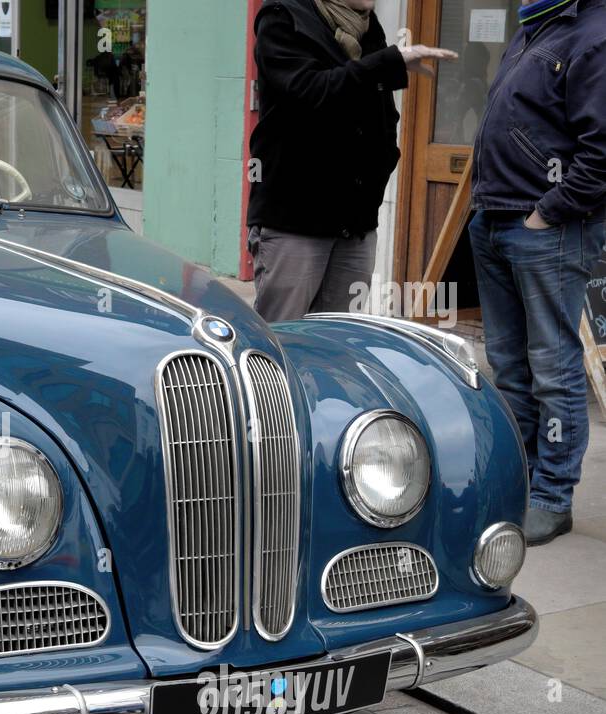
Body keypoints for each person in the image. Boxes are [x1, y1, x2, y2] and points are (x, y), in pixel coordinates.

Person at [469, 0, 606, 545]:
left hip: (544, 226)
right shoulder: (538, 25)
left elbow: (600, 154)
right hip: (497, 217)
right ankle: (519, 481)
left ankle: (553, 494)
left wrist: (548, 211)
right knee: (507, 361)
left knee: (552, 365)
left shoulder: (593, 34)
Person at [247, 0, 455, 324]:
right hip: (295, 219)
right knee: (281, 341)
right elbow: (311, 91)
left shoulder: (369, 28)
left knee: (335, 340)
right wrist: (387, 63)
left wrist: (384, 163)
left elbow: (384, 112)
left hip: (355, 223)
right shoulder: (283, 17)